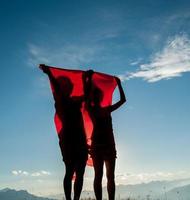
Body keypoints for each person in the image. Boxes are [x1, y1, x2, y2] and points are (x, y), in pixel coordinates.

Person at [39, 64, 89, 200]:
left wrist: (86, 80)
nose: (70, 87)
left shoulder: (75, 101)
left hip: (79, 139)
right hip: (69, 139)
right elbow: (57, 88)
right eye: (67, 85)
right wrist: (49, 74)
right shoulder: (60, 101)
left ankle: (76, 199)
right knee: (70, 170)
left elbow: (86, 95)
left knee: (80, 172)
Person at [86, 71, 126, 200]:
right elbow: (122, 100)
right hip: (101, 145)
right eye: (95, 95)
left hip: (105, 145)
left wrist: (119, 84)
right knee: (102, 176)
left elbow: (123, 100)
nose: (97, 97)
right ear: (94, 98)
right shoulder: (94, 109)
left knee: (107, 176)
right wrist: (89, 79)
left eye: (98, 95)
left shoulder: (102, 109)